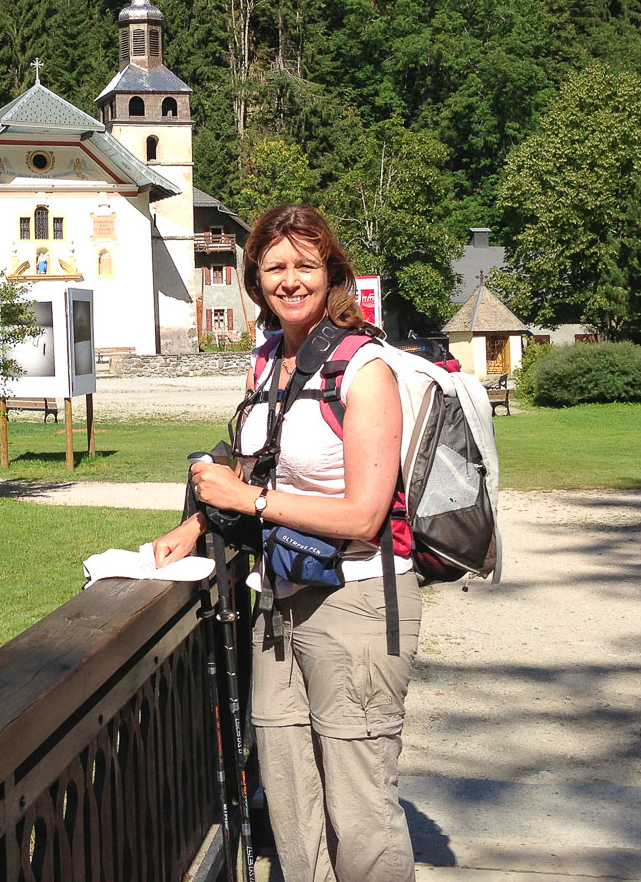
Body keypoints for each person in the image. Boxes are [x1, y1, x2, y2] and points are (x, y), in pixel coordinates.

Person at [153, 204, 419, 882]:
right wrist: (197, 523)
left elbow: (363, 515)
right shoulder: (264, 360)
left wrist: (253, 501)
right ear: (255, 278)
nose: (290, 280)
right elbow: (256, 464)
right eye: (275, 267)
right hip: (277, 599)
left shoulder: (368, 370)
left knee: (358, 804)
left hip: (358, 600)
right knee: (290, 791)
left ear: (330, 272)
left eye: (305, 265)